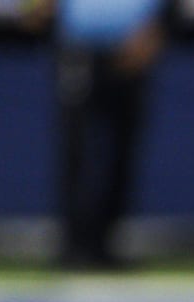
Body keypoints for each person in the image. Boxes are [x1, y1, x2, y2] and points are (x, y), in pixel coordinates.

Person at [50, 0, 166, 270]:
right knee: (77, 148)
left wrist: (155, 30)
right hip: (79, 46)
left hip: (134, 44)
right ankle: (75, 244)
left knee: (122, 147)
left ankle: (107, 244)